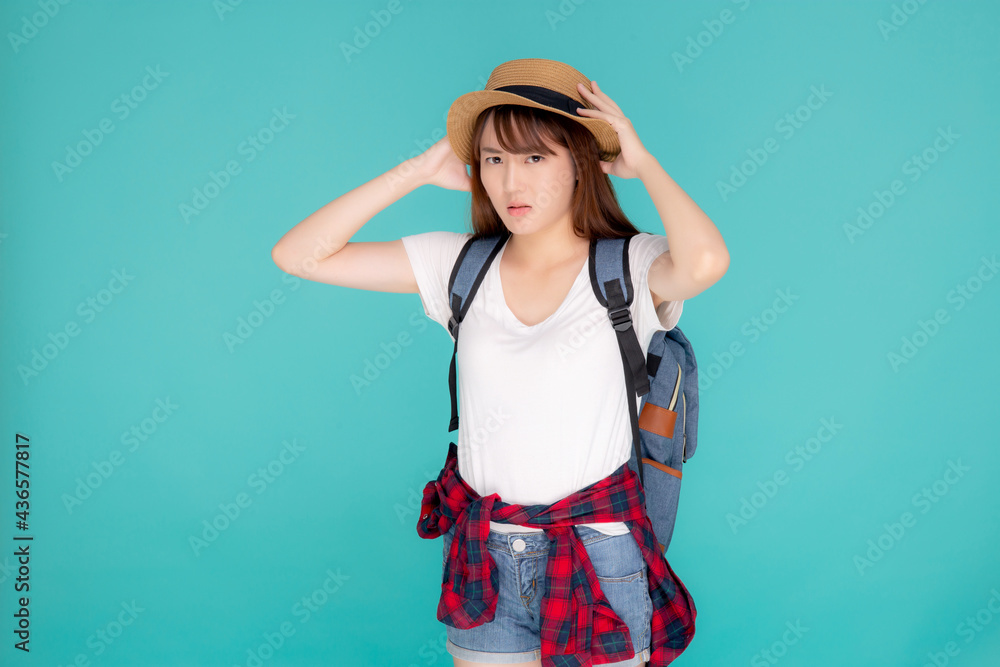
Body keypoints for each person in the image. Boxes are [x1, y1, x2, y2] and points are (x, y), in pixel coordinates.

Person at [272, 58, 728, 667]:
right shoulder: (461, 265)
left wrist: (641, 162)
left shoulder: (627, 268)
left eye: (536, 158)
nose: (513, 182)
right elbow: (299, 255)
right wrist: (416, 171)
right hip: (485, 552)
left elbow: (705, 264)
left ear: (581, 166)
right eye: (494, 159)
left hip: (598, 554)